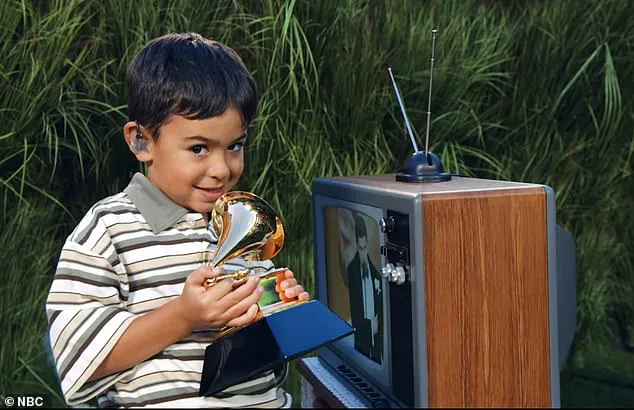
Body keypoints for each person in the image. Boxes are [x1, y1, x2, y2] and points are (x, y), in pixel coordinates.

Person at [45, 32, 309, 408]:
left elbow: (261, 357)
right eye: (198, 148)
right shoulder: (107, 230)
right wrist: (184, 317)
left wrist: (278, 310)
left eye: (235, 146)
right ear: (141, 141)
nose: (221, 169)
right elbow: (78, 361)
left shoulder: (242, 224)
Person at [346, 214, 383, 364]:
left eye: (364, 248)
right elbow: (355, 312)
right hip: (362, 335)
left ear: (367, 243)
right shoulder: (352, 271)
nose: (363, 253)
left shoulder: (377, 274)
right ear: (357, 245)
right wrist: (369, 327)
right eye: (360, 249)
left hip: (377, 332)